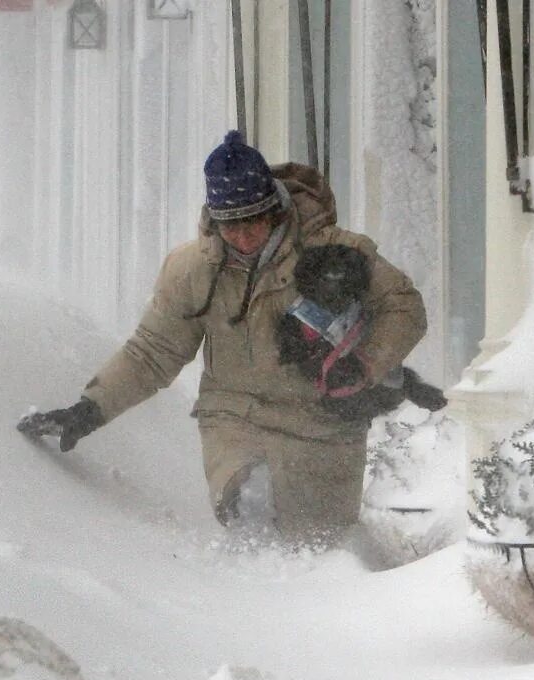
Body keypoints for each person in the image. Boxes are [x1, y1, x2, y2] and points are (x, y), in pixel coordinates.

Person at [26, 130, 427, 546]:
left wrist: (365, 364)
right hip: (235, 422)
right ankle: (244, 573)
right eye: (229, 225)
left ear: (273, 209)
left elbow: (405, 307)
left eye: (252, 220)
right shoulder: (192, 271)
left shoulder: (334, 253)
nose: (242, 236)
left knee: (319, 550)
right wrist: (90, 409)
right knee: (250, 501)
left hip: (324, 427)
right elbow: (152, 352)